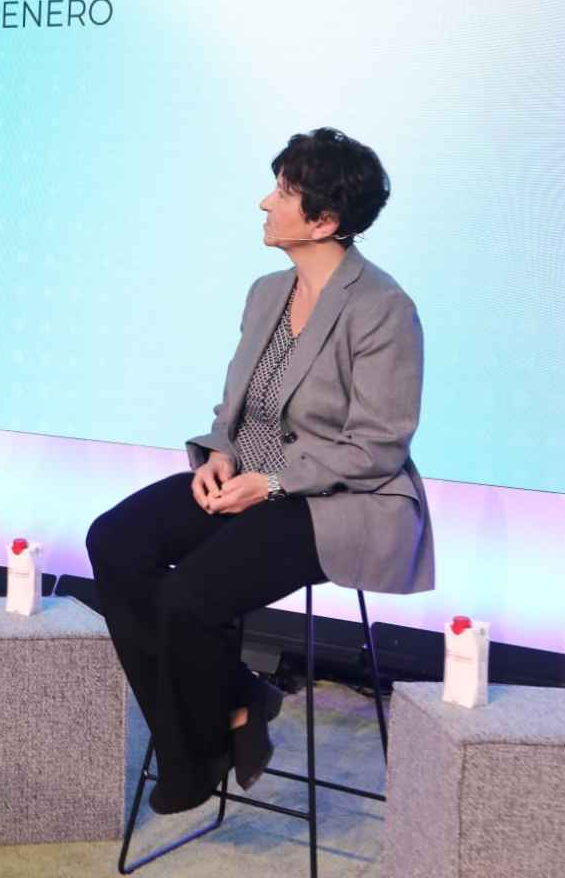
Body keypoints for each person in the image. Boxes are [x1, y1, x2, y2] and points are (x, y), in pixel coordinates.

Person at [86, 128, 434, 814]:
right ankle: (238, 701)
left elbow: (378, 446)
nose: (264, 203)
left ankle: (195, 752)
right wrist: (219, 454)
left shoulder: (383, 309)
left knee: (190, 599)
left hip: (334, 498)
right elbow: (236, 406)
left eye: (282, 193)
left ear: (325, 220)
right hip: (246, 474)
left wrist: (271, 483)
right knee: (114, 541)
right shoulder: (266, 291)